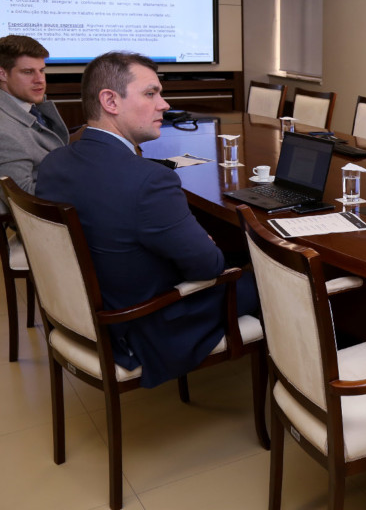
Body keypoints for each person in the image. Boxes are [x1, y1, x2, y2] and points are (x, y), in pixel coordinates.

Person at [36, 51, 259, 389]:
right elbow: (209, 266)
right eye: (151, 93)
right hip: (145, 325)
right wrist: (204, 243)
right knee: (269, 280)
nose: (164, 105)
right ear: (110, 100)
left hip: (88, 312)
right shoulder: (149, 181)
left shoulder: (54, 162)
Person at [0, 35, 69, 214]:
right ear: (2, 74)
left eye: (42, 70)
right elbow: (24, 200)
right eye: (28, 72)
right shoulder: (4, 131)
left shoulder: (27, 106)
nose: (40, 79)